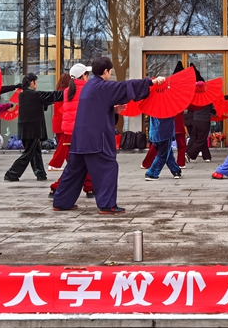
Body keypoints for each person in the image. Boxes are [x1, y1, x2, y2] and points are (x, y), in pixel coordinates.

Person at [52, 56, 164, 213]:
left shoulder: (89, 86)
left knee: (74, 171)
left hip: (80, 138)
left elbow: (96, 108)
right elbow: (125, 86)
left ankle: (62, 202)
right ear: (105, 71)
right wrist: (151, 82)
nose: (110, 74)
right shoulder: (101, 86)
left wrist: (113, 109)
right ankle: (107, 205)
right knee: (108, 167)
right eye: (110, 71)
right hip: (96, 138)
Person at [4, 73, 63, 182]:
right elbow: (53, 95)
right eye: (36, 82)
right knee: (28, 153)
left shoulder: (22, 95)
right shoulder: (34, 95)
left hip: (25, 128)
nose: (37, 84)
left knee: (35, 152)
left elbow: (41, 102)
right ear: (32, 82)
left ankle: (40, 173)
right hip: (32, 129)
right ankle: (11, 173)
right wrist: (68, 92)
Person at [49, 64, 95, 198]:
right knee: (77, 164)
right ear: (83, 76)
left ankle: (89, 187)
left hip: (67, 132)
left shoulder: (66, 91)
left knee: (78, 163)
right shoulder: (87, 89)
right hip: (81, 132)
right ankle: (57, 187)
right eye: (87, 75)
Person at [141, 62, 187, 170]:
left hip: (168, 121)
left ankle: (146, 163)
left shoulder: (168, 91)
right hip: (177, 122)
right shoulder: (181, 93)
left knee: (158, 144)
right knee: (180, 144)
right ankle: (180, 163)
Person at [145, 113, 183, 181]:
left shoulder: (152, 108)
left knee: (168, 152)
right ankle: (152, 173)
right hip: (165, 134)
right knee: (162, 155)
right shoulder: (167, 109)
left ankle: (175, 170)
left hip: (154, 133)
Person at [47, 72, 71, 171]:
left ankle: (71, 164)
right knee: (63, 145)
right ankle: (54, 164)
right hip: (63, 122)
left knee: (65, 145)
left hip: (57, 121)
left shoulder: (57, 92)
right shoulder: (66, 93)